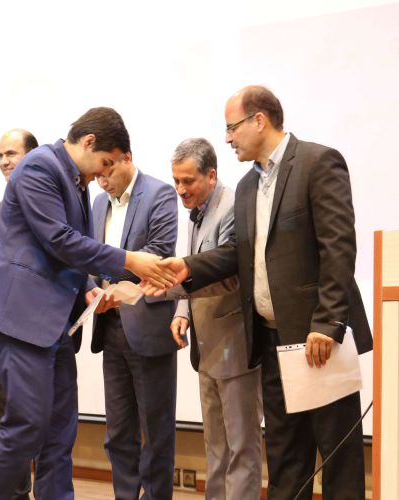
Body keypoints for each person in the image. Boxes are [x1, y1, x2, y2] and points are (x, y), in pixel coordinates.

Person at [159, 86, 373, 499]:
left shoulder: (316, 162)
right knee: (285, 457)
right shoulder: (246, 187)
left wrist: (328, 323)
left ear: (259, 120)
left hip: (318, 340)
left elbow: (338, 247)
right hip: (271, 341)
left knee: (338, 458)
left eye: (232, 127)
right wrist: (188, 267)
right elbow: (236, 255)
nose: (227, 138)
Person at [0, 107, 177, 500]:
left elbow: (67, 250)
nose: (104, 175)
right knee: (26, 425)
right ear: (89, 142)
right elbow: (59, 239)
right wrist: (130, 260)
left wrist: (86, 287)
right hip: (21, 319)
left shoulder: (75, 179)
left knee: (60, 428)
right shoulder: (39, 167)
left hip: (54, 325)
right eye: (106, 162)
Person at [169, 138, 263, 500]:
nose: (180, 189)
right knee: (215, 446)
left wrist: (163, 288)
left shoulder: (233, 206)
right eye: (176, 181)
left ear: (211, 175)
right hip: (206, 347)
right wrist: (182, 312)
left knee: (241, 447)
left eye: (188, 181)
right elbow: (192, 263)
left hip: (235, 345)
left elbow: (229, 274)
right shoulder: (196, 208)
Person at [88, 150, 179, 499]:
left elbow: (158, 253)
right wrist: (91, 287)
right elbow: (87, 255)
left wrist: (111, 281)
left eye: (107, 170)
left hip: (146, 326)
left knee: (155, 432)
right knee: (118, 432)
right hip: (109, 326)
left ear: (125, 157)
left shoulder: (159, 193)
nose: (101, 180)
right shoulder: (99, 203)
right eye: (96, 174)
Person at [0, 128, 39, 500]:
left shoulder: (41, 196)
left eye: (11, 154)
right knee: (6, 413)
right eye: (1, 155)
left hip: (32, 321)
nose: (4, 161)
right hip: (0, 318)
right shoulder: (3, 203)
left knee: (28, 416)